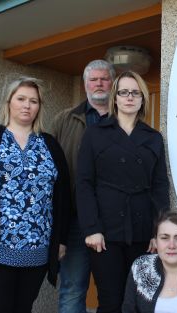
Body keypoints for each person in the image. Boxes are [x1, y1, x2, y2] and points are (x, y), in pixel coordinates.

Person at [0, 77, 71, 313]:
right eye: (21, 99)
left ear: (39, 107)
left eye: (33, 101)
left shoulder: (49, 144)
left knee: (23, 308)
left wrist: (61, 240)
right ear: (9, 102)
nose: (27, 105)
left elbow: (63, 197)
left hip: (37, 251)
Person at [76, 70, 170, 313]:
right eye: (124, 92)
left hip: (142, 233)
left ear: (142, 99)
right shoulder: (95, 133)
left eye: (135, 92)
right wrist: (91, 228)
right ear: (115, 98)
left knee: (142, 300)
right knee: (110, 300)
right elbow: (84, 183)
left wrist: (158, 232)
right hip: (104, 233)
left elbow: (160, 187)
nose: (130, 97)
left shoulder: (153, 138)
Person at [51, 59, 115, 313]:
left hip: (114, 221)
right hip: (76, 221)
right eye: (93, 79)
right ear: (85, 84)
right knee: (72, 288)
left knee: (112, 291)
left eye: (104, 78)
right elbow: (50, 170)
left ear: (113, 82)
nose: (99, 83)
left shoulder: (125, 118)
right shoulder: (64, 120)